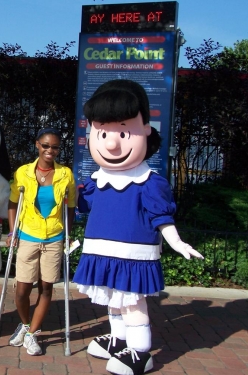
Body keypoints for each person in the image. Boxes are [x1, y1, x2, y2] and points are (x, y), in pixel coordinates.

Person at [73, 79, 203, 375]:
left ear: (146, 130)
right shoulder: (97, 180)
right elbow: (83, 206)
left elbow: (161, 217)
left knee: (131, 303)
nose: (111, 143)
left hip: (133, 256)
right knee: (112, 300)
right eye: (103, 132)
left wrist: (176, 241)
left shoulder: (150, 182)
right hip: (101, 252)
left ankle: (141, 352)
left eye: (122, 131)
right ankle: (119, 339)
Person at [6, 127, 75, 356]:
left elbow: (71, 207)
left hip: (54, 237)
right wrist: (12, 232)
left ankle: (33, 333)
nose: (50, 150)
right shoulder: (23, 172)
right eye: (46, 146)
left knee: (46, 287)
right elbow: (13, 203)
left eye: (55, 147)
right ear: (37, 145)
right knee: (22, 289)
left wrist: (68, 233)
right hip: (27, 235)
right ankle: (25, 325)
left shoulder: (65, 174)